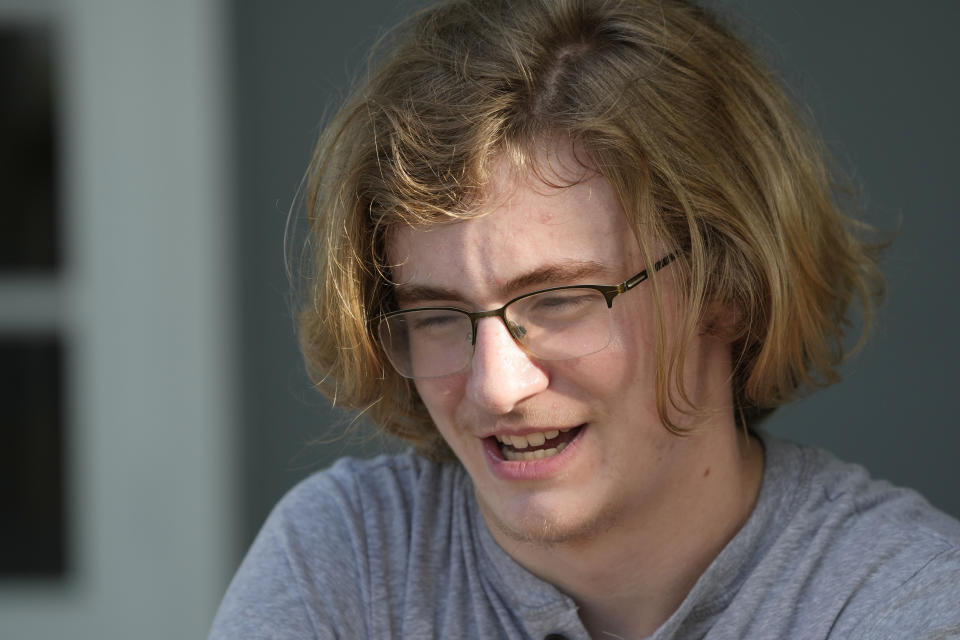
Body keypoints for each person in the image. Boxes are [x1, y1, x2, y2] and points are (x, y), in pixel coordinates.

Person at [210, 0, 960, 637]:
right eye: (438, 315)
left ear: (728, 287)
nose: (497, 388)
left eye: (561, 300)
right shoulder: (348, 565)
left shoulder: (898, 605)